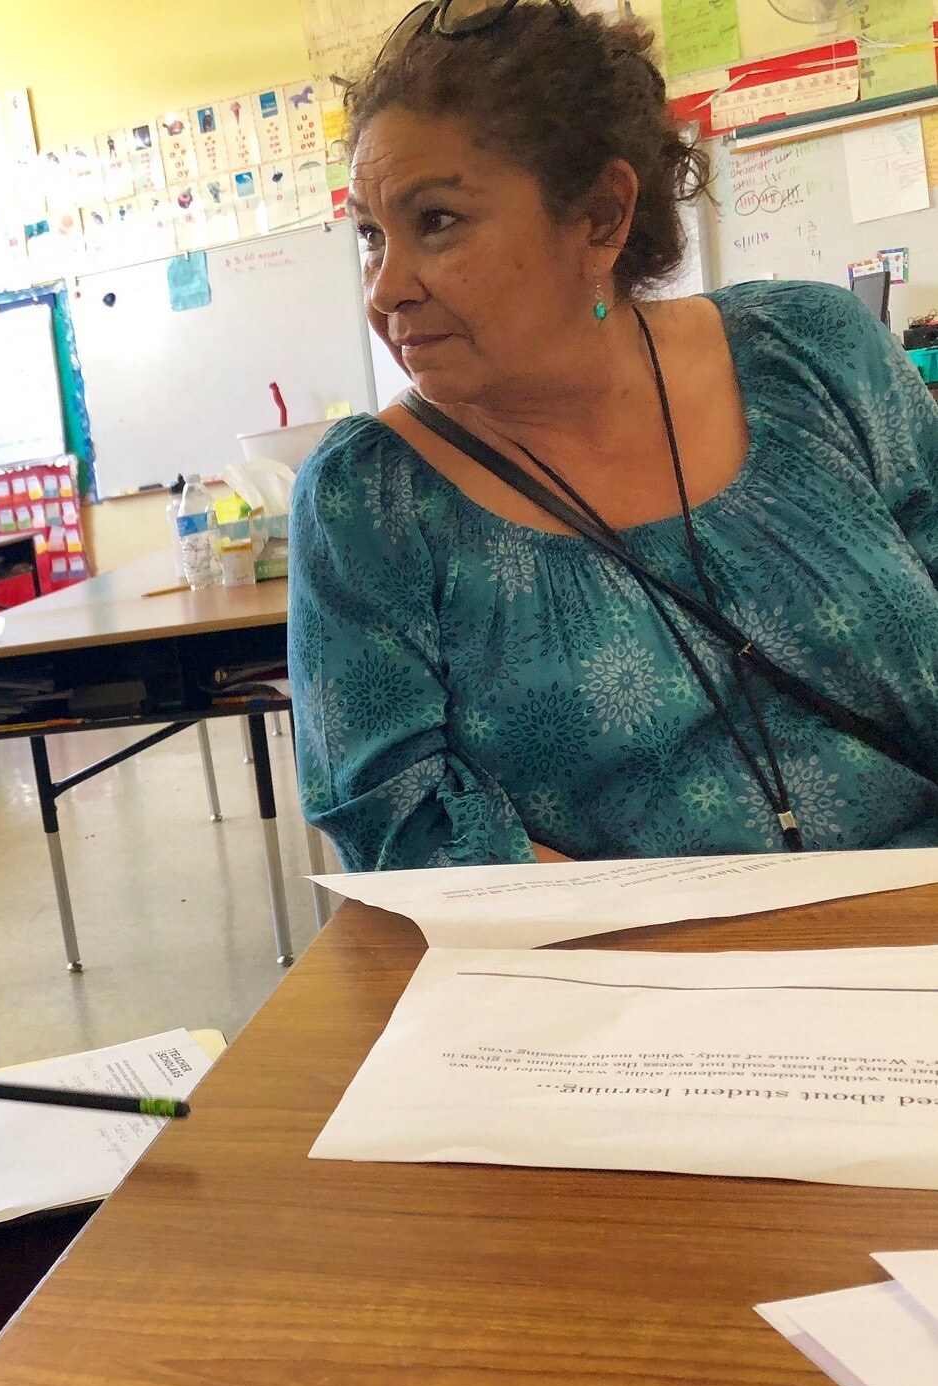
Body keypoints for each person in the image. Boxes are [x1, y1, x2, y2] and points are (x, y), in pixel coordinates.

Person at [289, 0, 938, 871]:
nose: (384, 287)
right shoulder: (368, 503)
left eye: (436, 221)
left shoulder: (812, 351)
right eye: (371, 235)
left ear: (601, 215)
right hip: (625, 954)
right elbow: (408, 834)